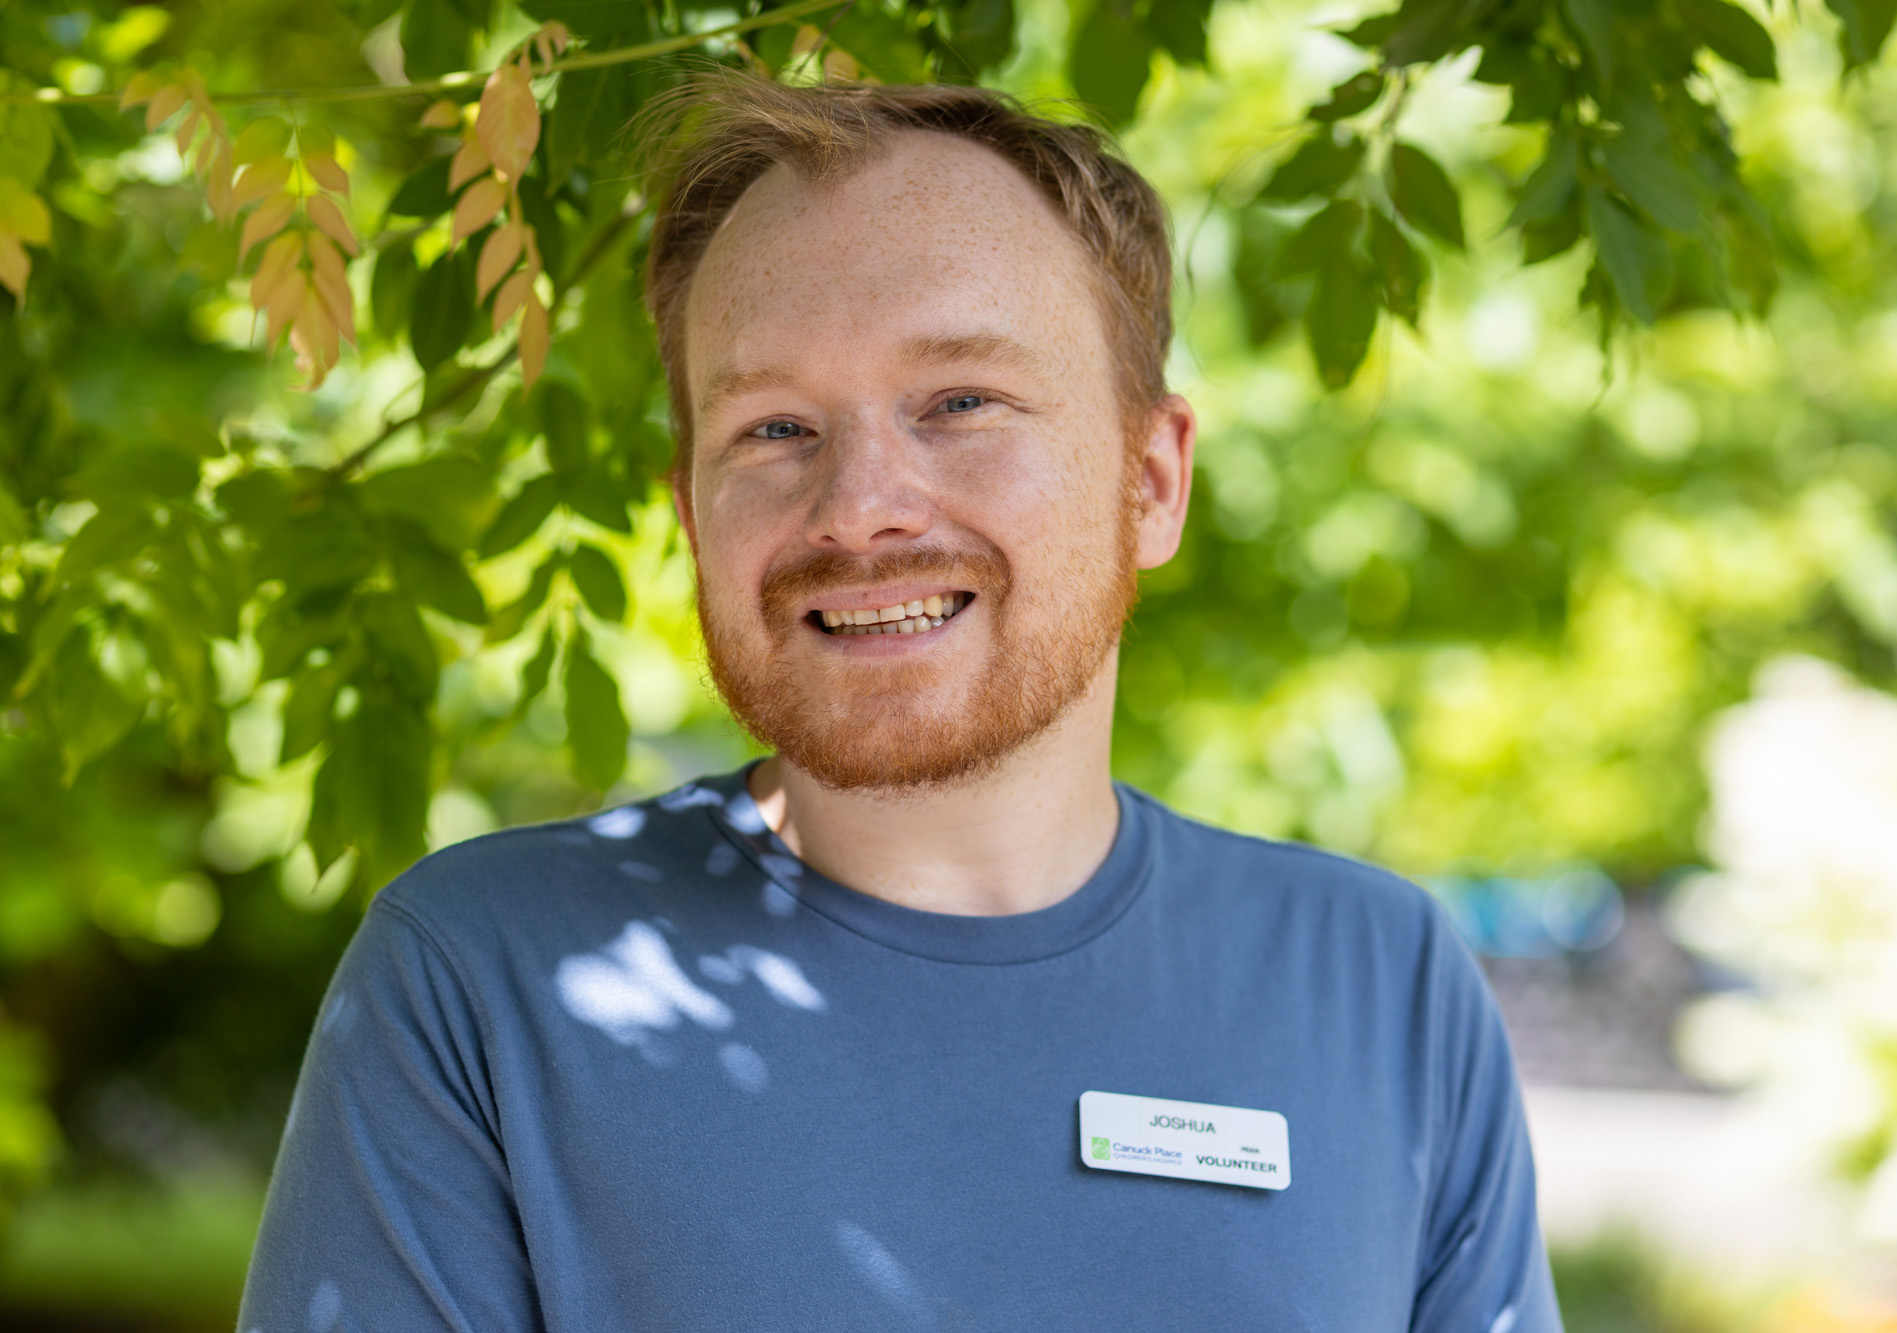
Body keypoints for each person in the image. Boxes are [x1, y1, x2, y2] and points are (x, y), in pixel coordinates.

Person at [239, 74, 1561, 1333]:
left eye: (961, 401)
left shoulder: (1381, 982)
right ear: (693, 512)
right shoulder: (483, 976)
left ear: (1151, 481)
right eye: (772, 427)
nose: (861, 504)